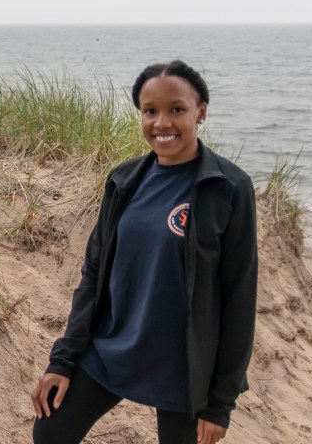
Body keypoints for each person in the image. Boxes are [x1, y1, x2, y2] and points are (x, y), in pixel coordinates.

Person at [30, 61, 258, 444]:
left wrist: (220, 402)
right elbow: (93, 274)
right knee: (51, 430)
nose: (162, 123)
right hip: (113, 346)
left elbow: (239, 299)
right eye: (150, 111)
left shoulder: (229, 188)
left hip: (183, 367)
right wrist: (63, 360)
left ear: (201, 112)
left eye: (177, 110)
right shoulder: (124, 180)